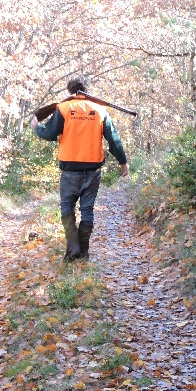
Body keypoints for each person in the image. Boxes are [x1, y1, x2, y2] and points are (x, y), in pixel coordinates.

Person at [31, 76, 129, 262]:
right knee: (87, 209)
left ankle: (73, 247)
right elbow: (114, 141)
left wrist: (37, 128)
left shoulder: (64, 108)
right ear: (87, 90)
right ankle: (82, 252)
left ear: (70, 91)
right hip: (93, 170)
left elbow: (50, 133)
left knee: (67, 207)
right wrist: (123, 162)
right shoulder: (100, 110)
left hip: (70, 170)